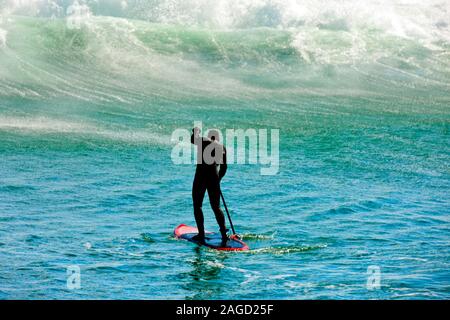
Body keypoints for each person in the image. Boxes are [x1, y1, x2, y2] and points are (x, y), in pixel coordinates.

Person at [190, 127, 228, 244]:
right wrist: (218, 179)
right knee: (216, 207)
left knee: (198, 205)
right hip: (213, 177)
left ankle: (201, 234)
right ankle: (224, 234)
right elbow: (224, 167)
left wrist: (195, 131)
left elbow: (193, 140)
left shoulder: (204, 141)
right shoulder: (222, 147)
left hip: (201, 176)